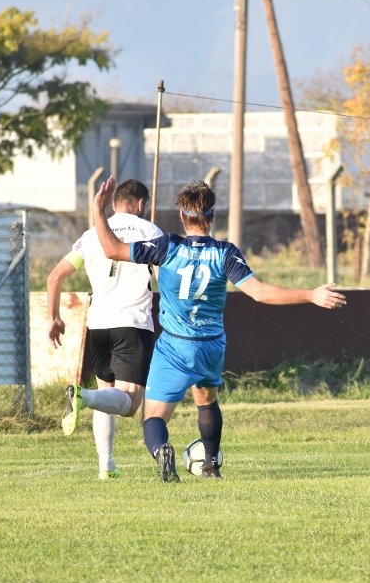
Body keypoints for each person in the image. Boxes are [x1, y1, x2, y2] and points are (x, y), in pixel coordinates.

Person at [91, 175, 347, 482]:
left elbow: (111, 248)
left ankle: (162, 452)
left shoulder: (167, 246)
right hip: (210, 344)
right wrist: (311, 295)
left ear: (183, 217)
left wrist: (98, 209)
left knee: (153, 418)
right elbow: (260, 292)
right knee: (207, 400)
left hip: (174, 345)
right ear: (212, 217)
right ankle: (210, 464)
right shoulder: (225, 253)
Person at [47, 178, 162, 480]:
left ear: (113, 203)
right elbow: (165, 277)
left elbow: (55, 277)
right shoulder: (149, 231)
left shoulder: (88, 236)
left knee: (106, 392)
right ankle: (82, 397)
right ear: (140, 205)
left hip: (98, 324)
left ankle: (106, 467)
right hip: (133, 324)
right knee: (129, 404)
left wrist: (54, 318)